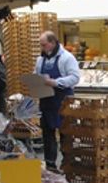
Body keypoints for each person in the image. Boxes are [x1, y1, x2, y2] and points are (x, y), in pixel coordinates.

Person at [34, 31, 80, 171]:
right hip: (46, 102)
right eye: (41, 45)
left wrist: (56, 82)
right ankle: (50, 165)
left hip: (63, 101)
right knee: (47, 135)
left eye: (44, 45)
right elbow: (37, 75)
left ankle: (68, 165)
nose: (42, 48)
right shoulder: (40, 59)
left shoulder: (67, 58)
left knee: (65, 134)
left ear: (53, 43)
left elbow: (75, 77)